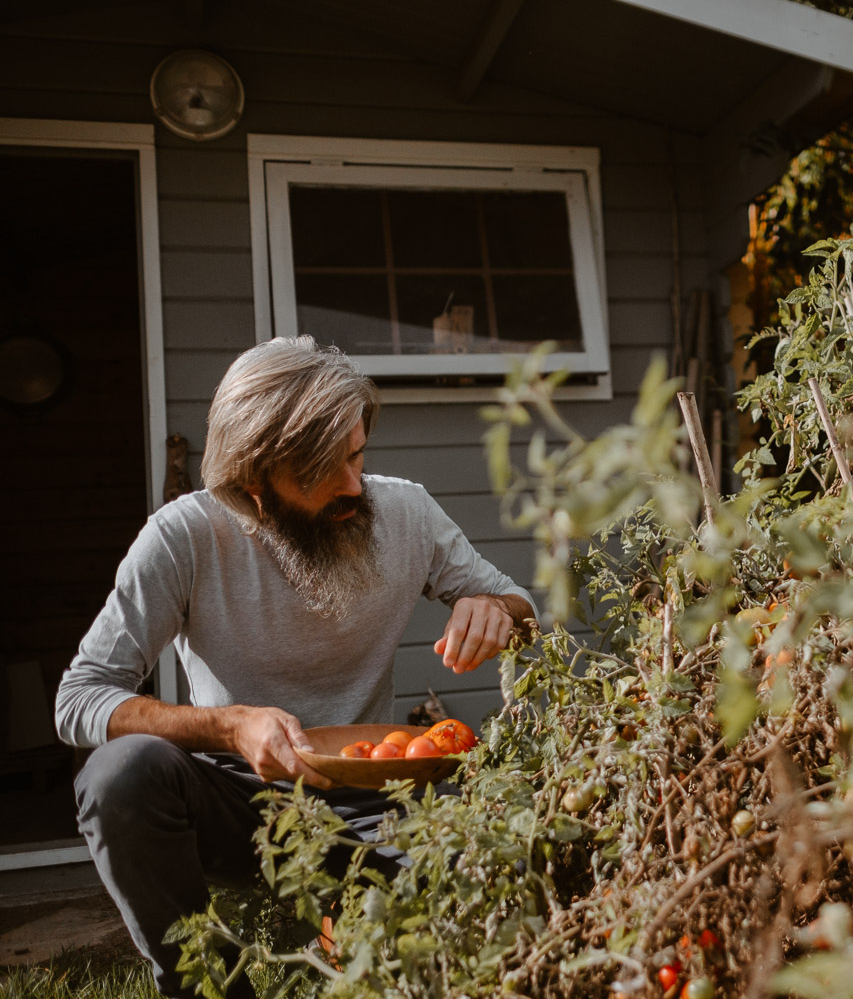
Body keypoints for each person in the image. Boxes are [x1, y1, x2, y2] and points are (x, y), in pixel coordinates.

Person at [54, 336, 535, 999]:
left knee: (471, 907)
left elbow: (519, 603)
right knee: (119, 775)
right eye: (321, 470)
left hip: (374, 799)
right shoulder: (183, 537)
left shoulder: (406, 511)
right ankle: (207, 988)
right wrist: (228, 727)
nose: (353, 484)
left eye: (358, 454)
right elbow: (78, 700)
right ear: (253, 483)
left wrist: (496, 607)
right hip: (234, 800)